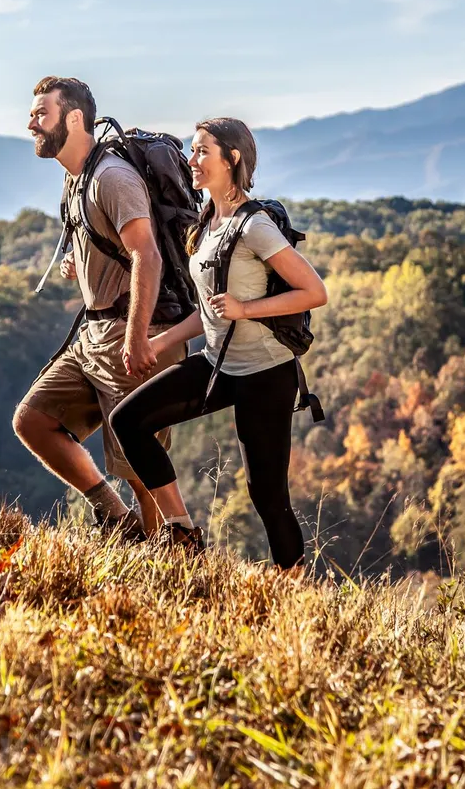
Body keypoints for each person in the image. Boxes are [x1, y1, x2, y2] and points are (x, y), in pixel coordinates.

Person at [110, 117, 327, 573]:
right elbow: (211, 311)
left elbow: (314, 292)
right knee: (128, 421)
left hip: (266, 373)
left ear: (232, 158)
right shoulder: (207, 223)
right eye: (192, 150)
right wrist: (160, 341)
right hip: (217, 362)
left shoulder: (254, 225)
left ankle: (295, 588)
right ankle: (181, 531)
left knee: (267, 495)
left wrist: (246, 309)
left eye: (201, 151)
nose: (191, 160)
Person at [13, 76, 188, 538]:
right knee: (33, 420)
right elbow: (109, 241)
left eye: (41, 113)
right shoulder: (76, 178)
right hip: (93, 336)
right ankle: (116, 518)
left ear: (74, 118)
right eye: (32, 114)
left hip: (133, 333)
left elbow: (147, 254)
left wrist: (137, 337)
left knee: (140, 469)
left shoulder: (111, 177)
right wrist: (79, 258)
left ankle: (165, 559)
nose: (31, 123)